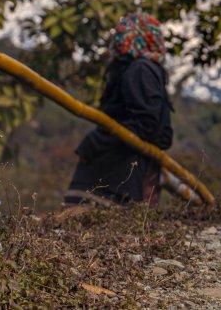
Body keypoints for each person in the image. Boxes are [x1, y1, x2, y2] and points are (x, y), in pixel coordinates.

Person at [64, 12, 174, 206]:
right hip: (117, 179)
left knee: (83, 229)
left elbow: (148, 125)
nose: (118, 38)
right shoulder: (139, 69)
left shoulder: (140, 69)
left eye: (124, 34)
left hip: (115, 180)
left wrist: (96, 142)